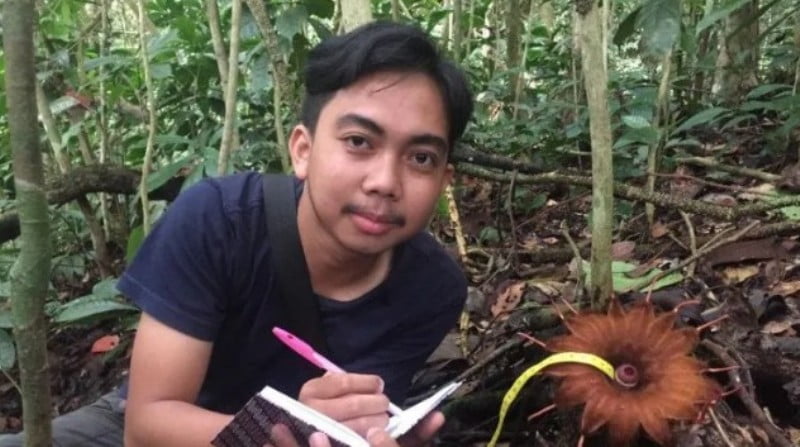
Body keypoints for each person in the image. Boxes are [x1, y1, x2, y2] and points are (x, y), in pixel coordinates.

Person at [0, 19, 472, 447]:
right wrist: (286, 430)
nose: (385, 182)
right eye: (358, 142)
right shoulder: (218, 221)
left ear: (443, 180)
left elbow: (362, 423)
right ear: (303, 150)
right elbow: (146, 425)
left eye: (421, 158)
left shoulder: (432, 289)